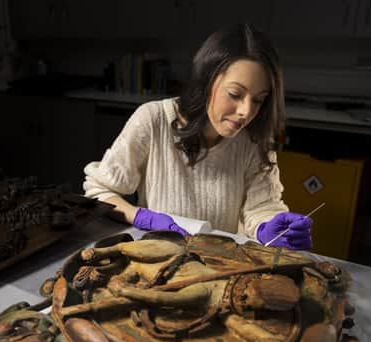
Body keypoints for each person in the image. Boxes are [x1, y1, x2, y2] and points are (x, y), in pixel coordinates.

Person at [83, 24, 313, 251]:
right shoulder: (153, 120)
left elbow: (262, 206)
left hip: (224, 265)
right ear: (206, 81)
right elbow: (99, 192)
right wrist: (141, 217)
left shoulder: (253, 138)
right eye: (235, 94)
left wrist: (269, 227)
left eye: (258, 99)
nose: (246, 111)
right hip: (159, 261)